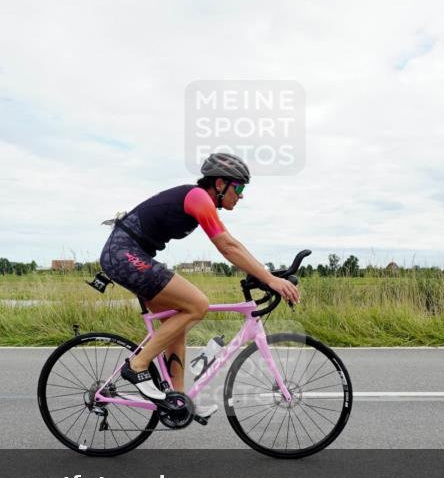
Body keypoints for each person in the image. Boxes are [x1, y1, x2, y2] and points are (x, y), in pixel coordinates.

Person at [99, 153, 300, 419]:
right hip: (123, 254)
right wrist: (269, 279)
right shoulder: (198, 198)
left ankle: (178, 400)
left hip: (131, 254)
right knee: (197, 305)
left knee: (175, 321)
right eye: (238, 187)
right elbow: (227, 246)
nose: (240, 195)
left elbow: (233, 244)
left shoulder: (201, 201)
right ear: (219, 184)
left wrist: (264, 274)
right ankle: (137, 365)